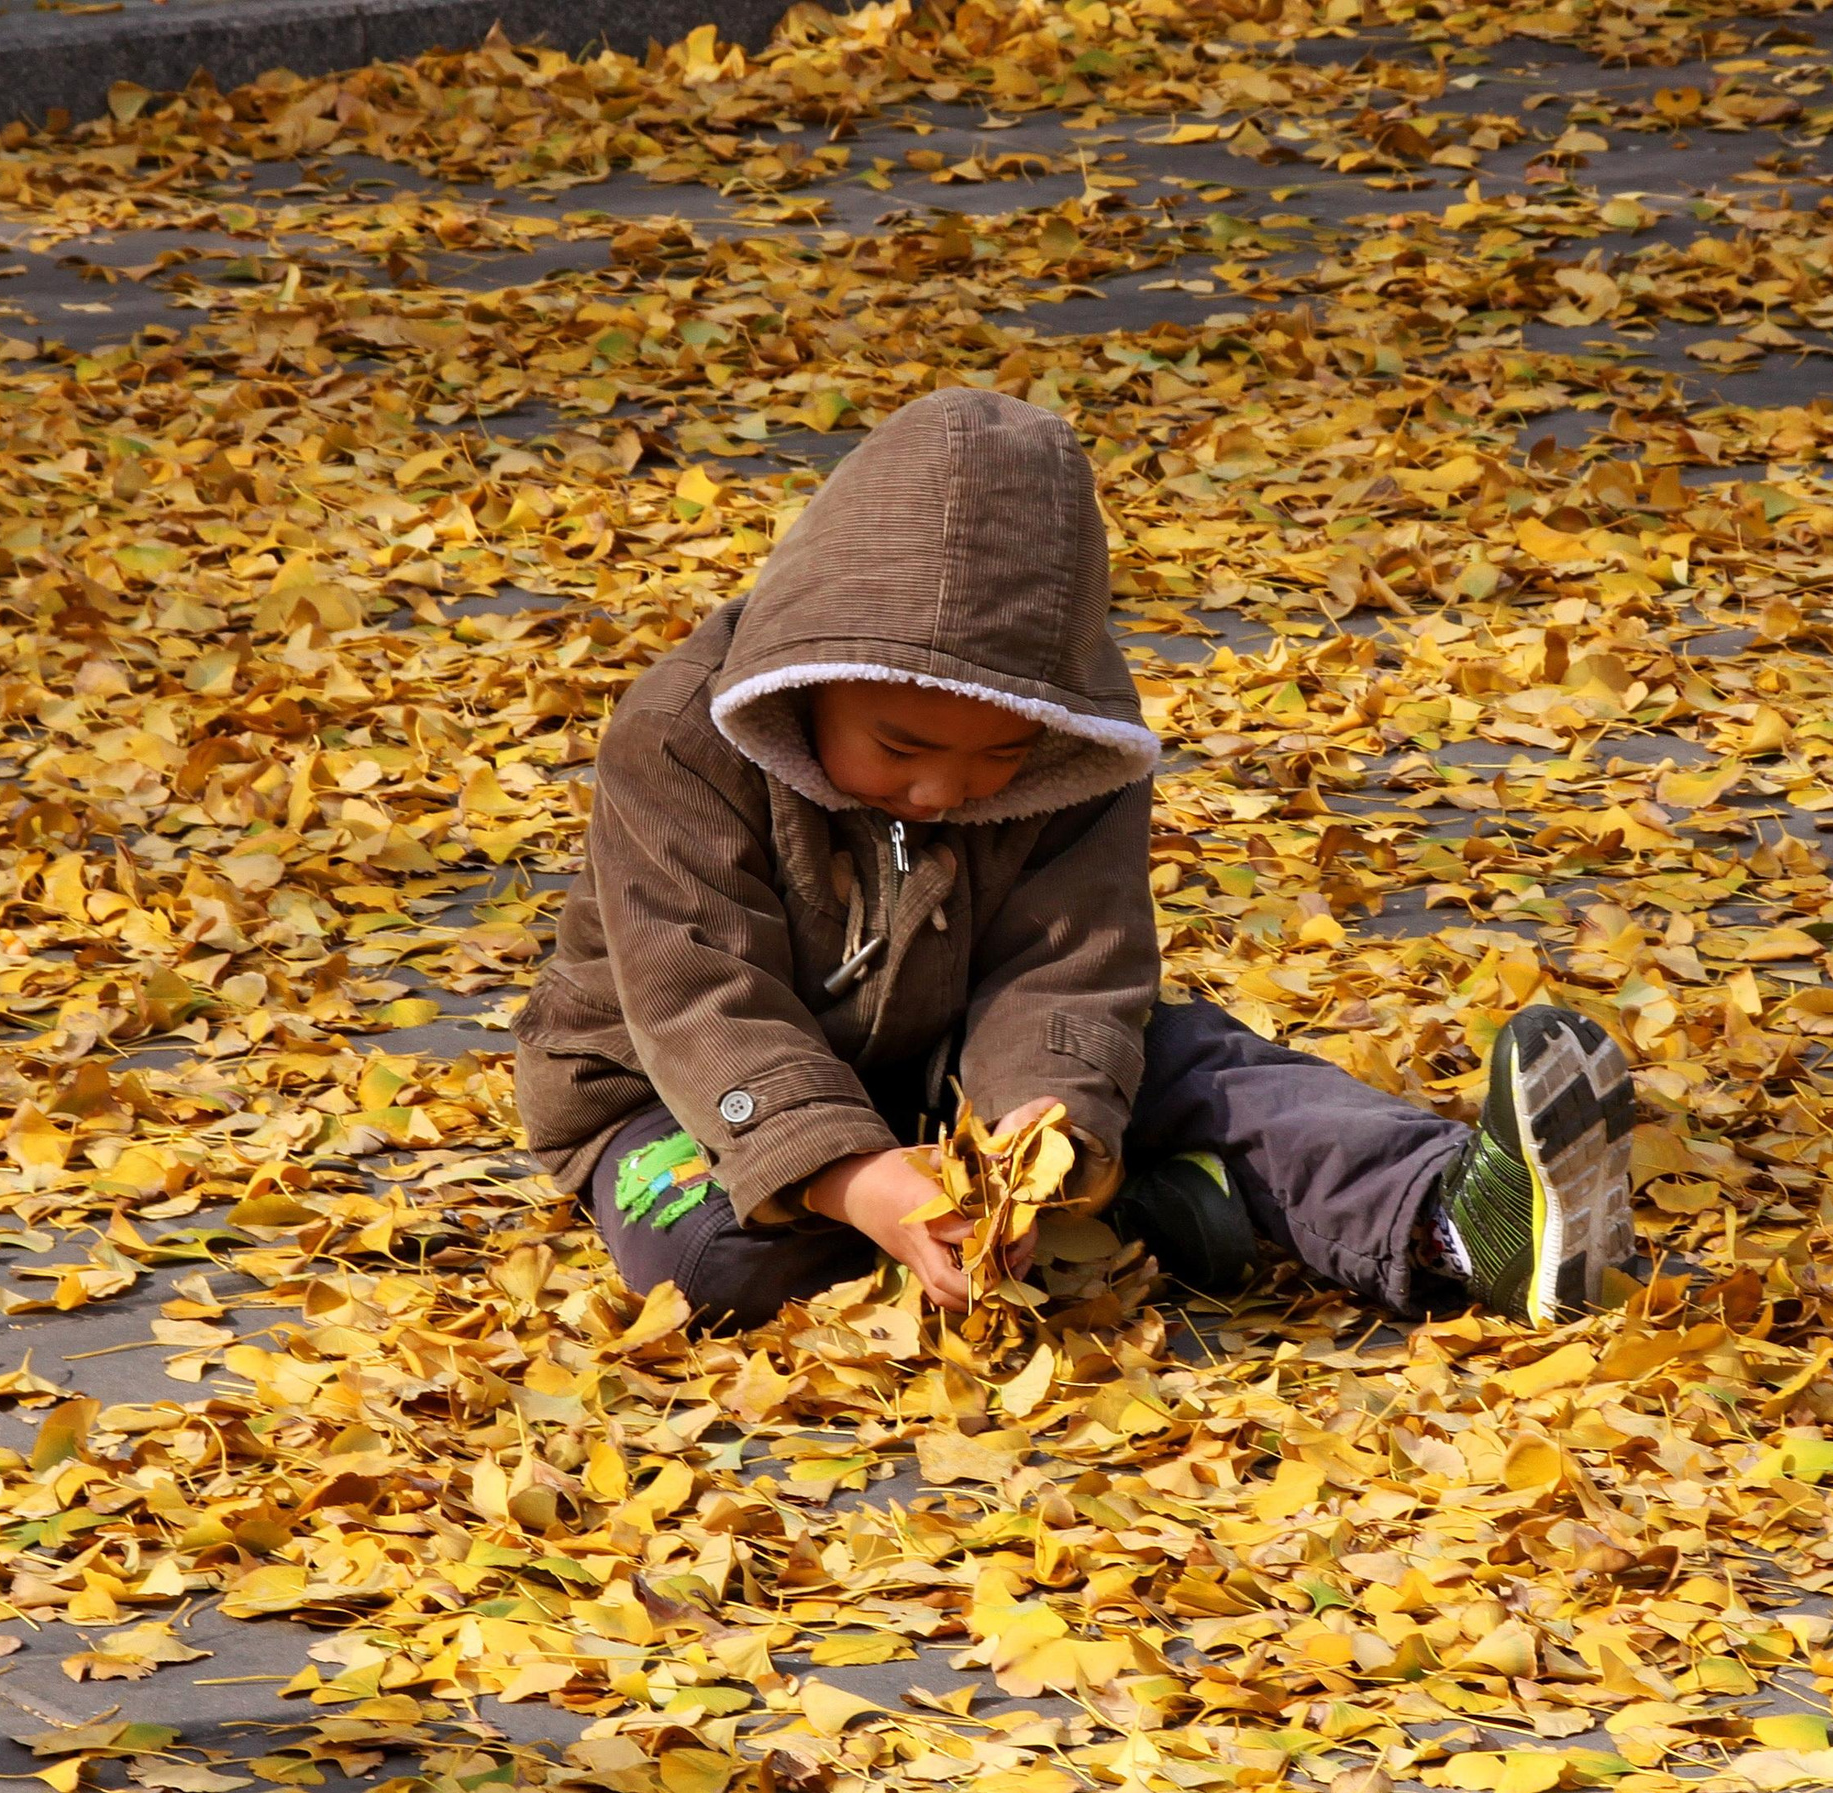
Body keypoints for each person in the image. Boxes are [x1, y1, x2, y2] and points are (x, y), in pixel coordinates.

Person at [510, 389, 1636, 1330]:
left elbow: (1071, 958)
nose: (946, 790)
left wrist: (1042, 1133)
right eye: (900, 749)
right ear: (805, 680)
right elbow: (698, 991)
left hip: (949, 1061)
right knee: (713, 1262)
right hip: (678, 1094)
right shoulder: (677, 735)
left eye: (997, 756)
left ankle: (1453, 1215)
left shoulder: (1076, 753)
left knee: (1197, 1063)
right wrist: (854, 1176)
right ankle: (1146, 1216)